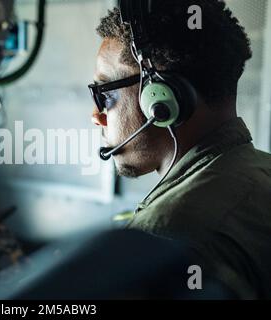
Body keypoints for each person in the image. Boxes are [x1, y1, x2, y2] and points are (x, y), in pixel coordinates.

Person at [91, 0, 271, 298]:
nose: (96, 116)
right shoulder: (262, 171)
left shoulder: (166, 237)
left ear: (160, 100)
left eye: (103, 94)